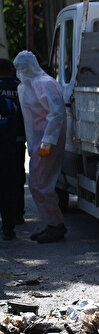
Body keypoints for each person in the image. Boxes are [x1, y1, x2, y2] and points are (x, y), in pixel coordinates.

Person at [13, 51, 67, 243]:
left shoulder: (45, 83)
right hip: (40, 142)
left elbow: (57, 113)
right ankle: (52, 224)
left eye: (22, 68)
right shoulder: (30, 85)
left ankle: (55, 226)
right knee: (40, 184)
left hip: (46, 143)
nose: (20, 73)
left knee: (39, 184)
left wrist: (48, 141)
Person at [0, 58, 26, 240]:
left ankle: (7, 221)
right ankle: (16, 216)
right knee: (15, 179)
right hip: (15, 142)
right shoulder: (21, 87)